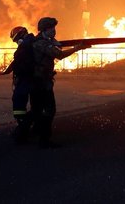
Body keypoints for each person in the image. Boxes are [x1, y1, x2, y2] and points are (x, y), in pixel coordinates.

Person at [32, 17, 90, 148]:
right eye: (51, 28)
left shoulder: (45, 41)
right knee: (49, 110)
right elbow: (59, 55)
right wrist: (77, 48)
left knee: (38, 109)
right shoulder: (41, 43)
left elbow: (56, 45)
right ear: (44, 29)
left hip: (40, 81)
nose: (54, 30)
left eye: (54, 27)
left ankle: (33, 131)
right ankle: (44, 139)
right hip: (40, 82)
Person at [9, 26, 36, 144]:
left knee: (19, 103)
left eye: (16, 39)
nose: (16, 42)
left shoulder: (27, 45)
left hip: (26, 79)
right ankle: (24, 127)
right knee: (24, 104)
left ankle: (22, 130)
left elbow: (24, 64)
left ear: (21, 35)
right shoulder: (29, 43)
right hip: (26, 79)